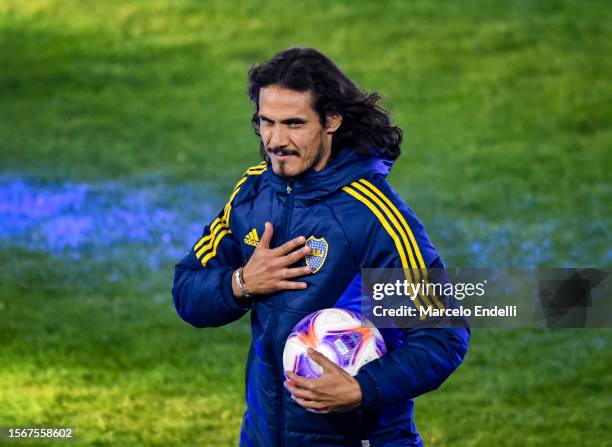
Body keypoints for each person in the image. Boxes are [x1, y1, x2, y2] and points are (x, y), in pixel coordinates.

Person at [172, 47, 469, 447]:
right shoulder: (253, 193)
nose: (276, 141)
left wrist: (362, 389)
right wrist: (242, 283)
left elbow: (443, 333)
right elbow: (187, 289)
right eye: (266, 123)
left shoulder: (372, 216)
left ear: (331, 120)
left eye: (294, 124)